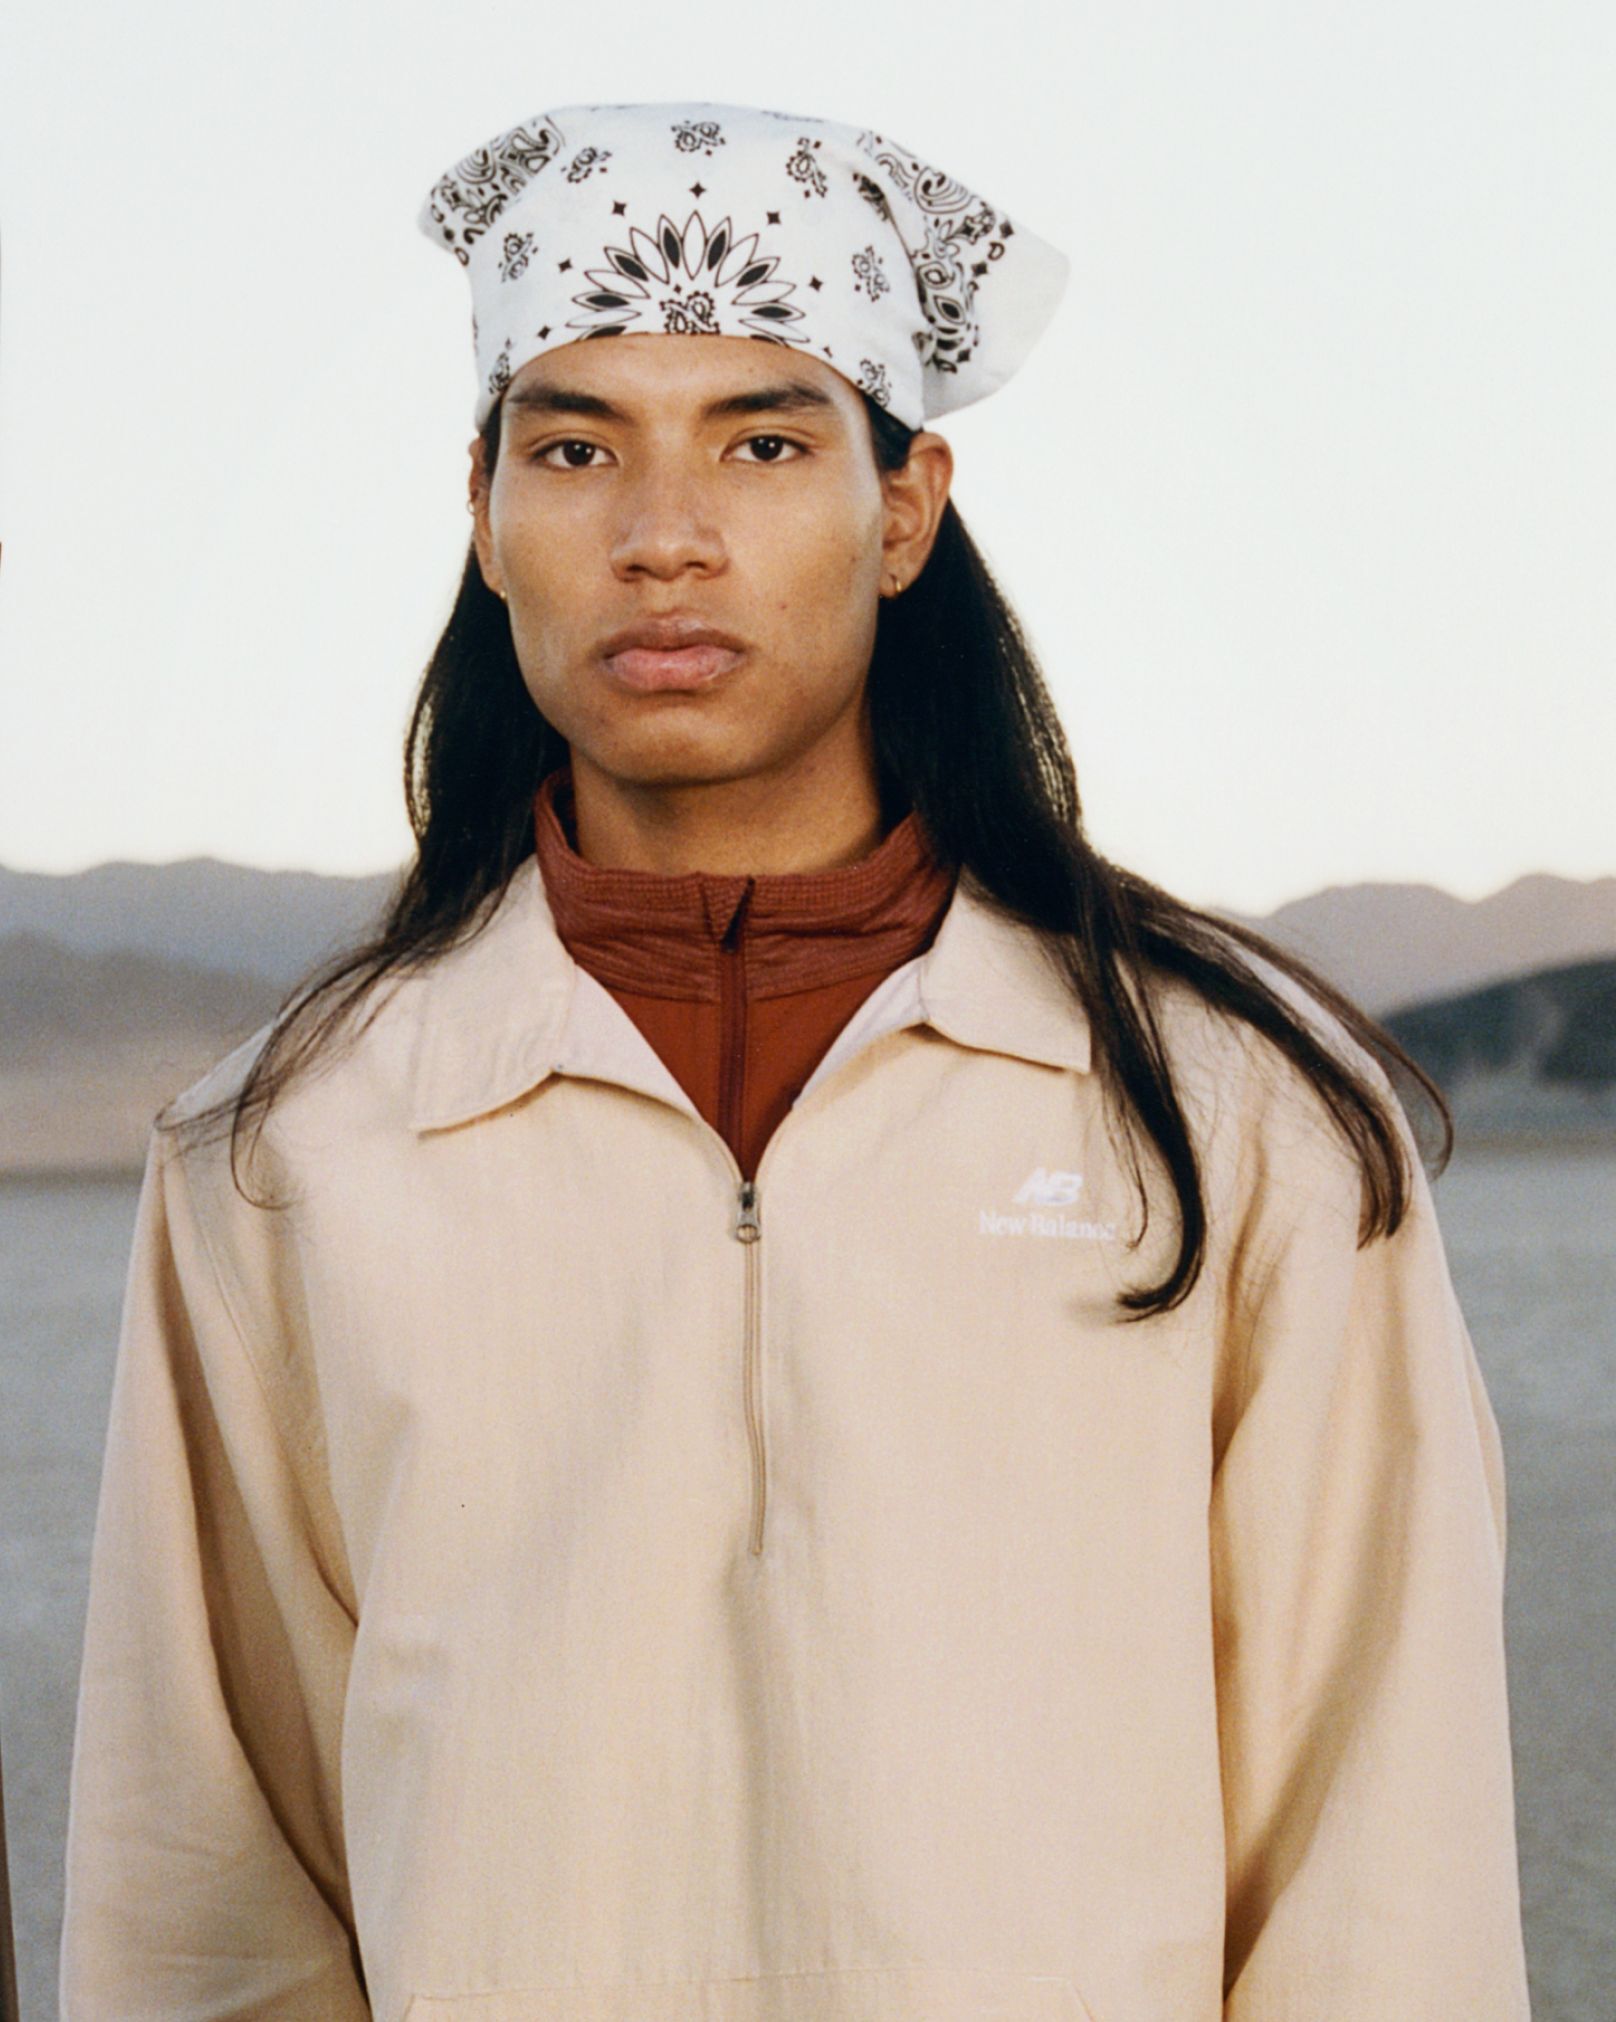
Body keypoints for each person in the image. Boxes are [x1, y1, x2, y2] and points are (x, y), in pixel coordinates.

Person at [59, 100, 1532, 2021]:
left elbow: (1381, 1873)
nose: (663, 536)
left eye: (762, 442)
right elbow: (207, 1889)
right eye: (576, 446)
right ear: (485, 512)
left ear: (904, 508)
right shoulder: (286, 1152)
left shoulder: (1244, 1122)